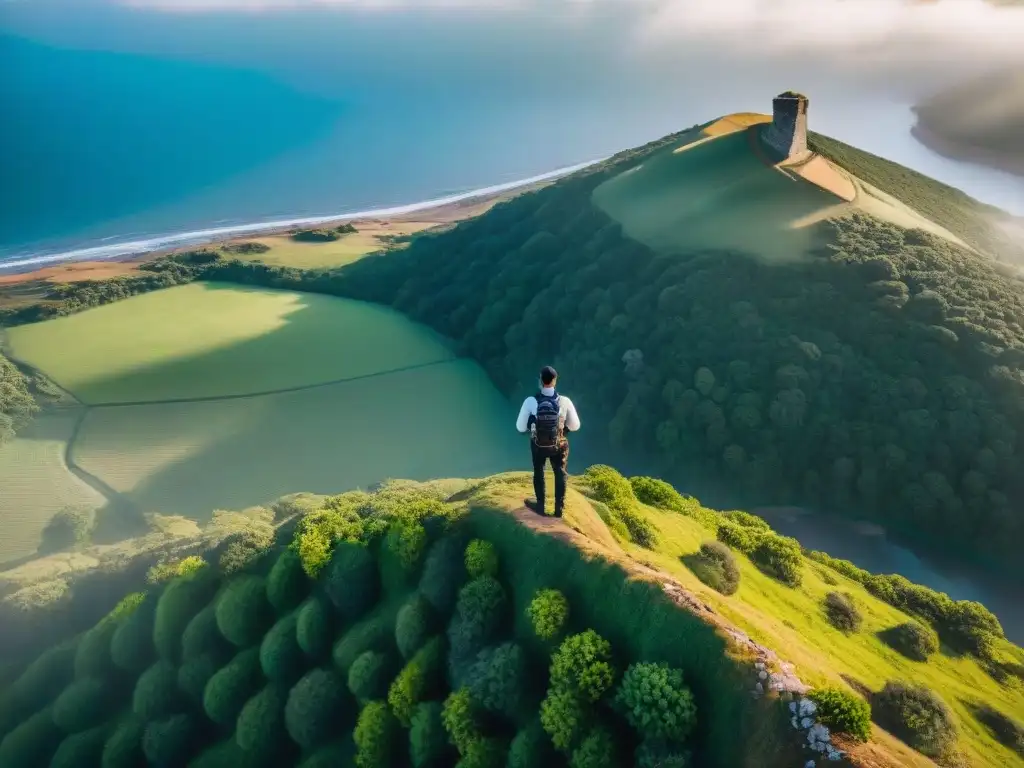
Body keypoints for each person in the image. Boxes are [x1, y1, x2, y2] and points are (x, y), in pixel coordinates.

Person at [515, 365, 581, 518]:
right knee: (560, 473)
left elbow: (520, 427)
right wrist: (561, 430)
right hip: (558, 445)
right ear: (555, 381)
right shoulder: (564, 401)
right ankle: (559, 510)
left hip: (538, 445)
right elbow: (575, 426)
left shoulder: (531, 401)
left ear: (540, 380)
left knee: (539, 472)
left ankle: (540, 506)